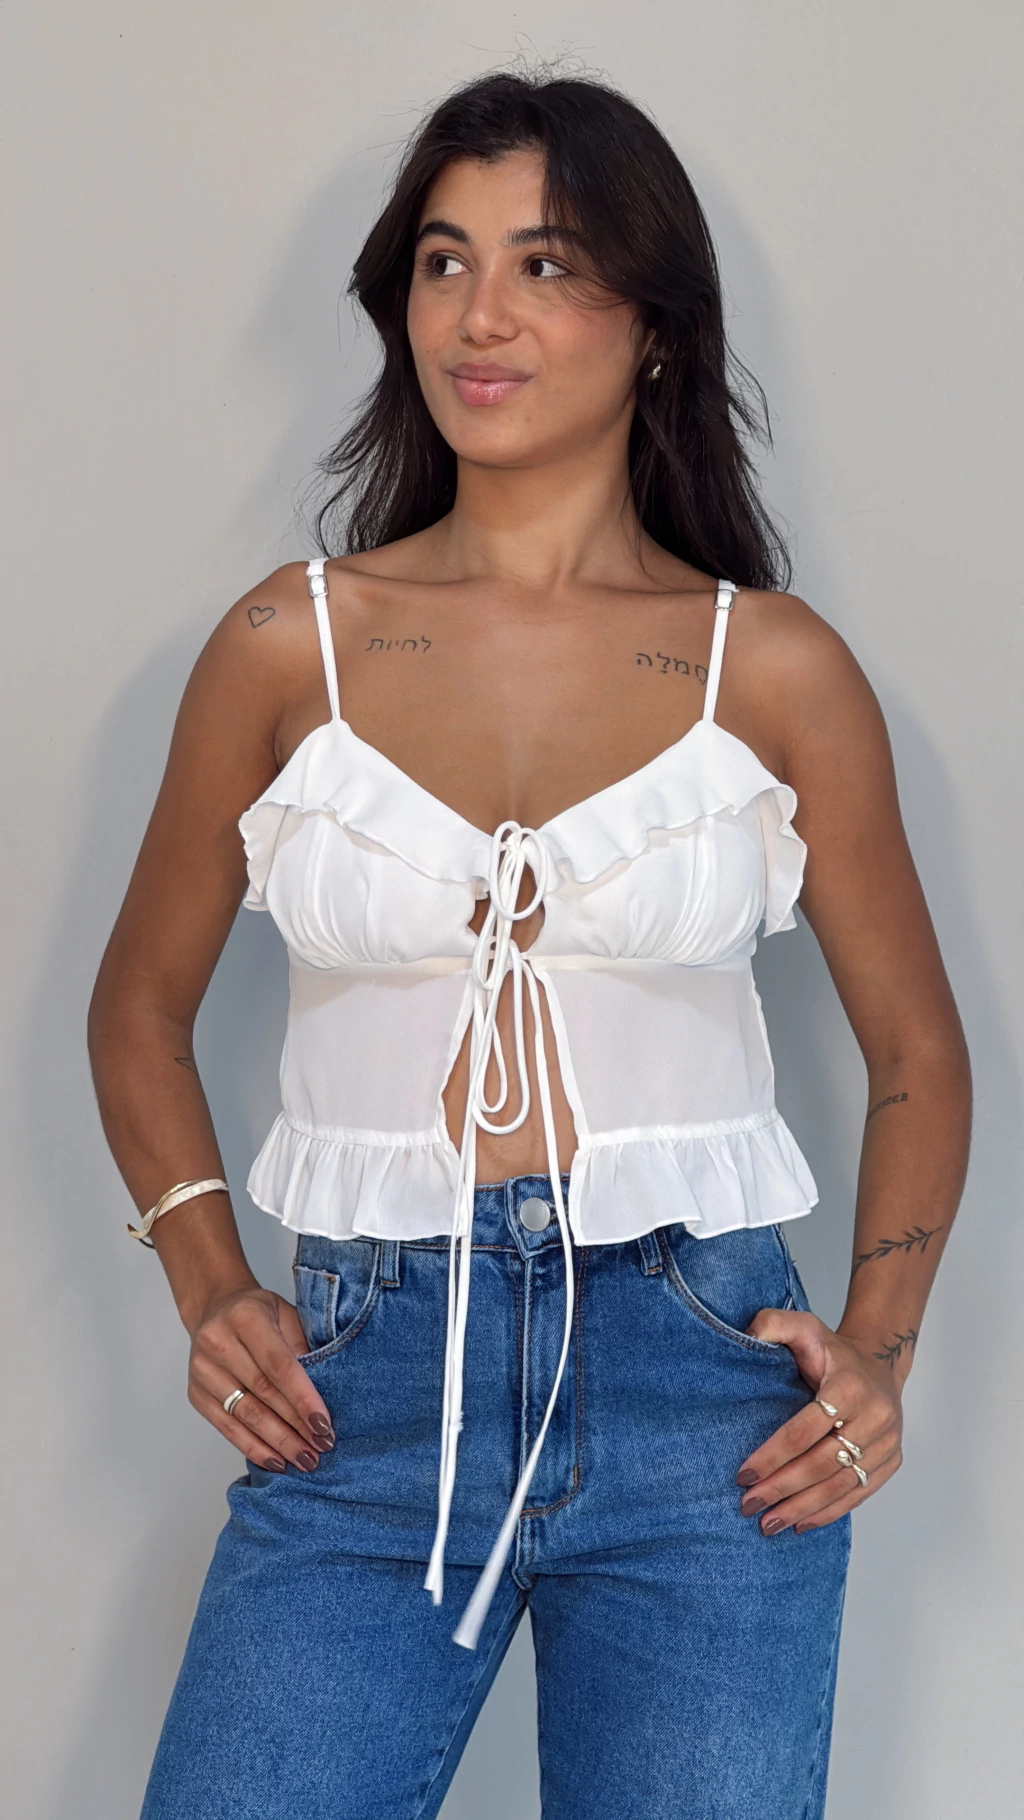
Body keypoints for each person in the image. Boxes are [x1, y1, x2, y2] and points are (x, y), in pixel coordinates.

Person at [88, 69, 971, 1820]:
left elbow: (918, 1051)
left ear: (656, 326)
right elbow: (138, 1005)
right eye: (444, 261)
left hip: (702, 1385)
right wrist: (208, 1280)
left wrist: (880, 1347)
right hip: (362, 1386)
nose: (478, 316)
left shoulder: (773, 669)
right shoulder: (286, 647)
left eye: (546, 264)